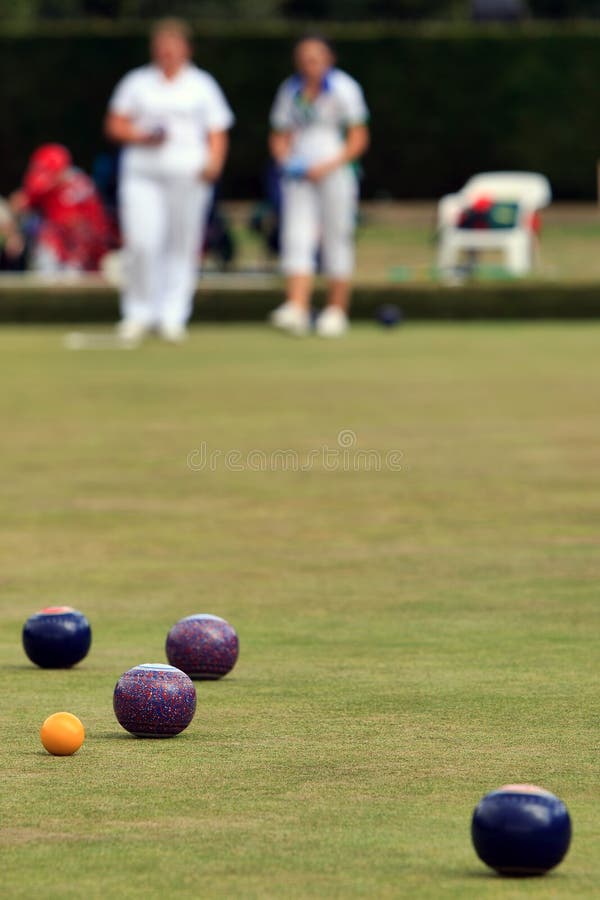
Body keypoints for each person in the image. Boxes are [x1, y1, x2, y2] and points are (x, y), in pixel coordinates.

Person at [105, 18, 234, 343]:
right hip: (143, 174)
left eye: (173, 48)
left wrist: (214, 162)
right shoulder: (137, 82)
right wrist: (141, 135)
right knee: (142, 243)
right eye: (161, 48)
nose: (167, 54)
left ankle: (172, 315)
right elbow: (115, 125)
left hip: (188, 176)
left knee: (182, 244)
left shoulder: (202, 84)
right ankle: (138, 313)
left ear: (185, 50)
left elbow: (217, 129)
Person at [268, 36, 370, 337]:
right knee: (296, 235)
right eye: (303, 58)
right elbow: (279, 133)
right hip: (299, 173)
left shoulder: (345, 88)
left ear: (328, 59)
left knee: (337, 235)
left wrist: (326, 166)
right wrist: (286, 161)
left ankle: (336, 311)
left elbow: (358, 137)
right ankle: (297, 307)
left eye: (314, 58)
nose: (308, 64)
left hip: (336, 170)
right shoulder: (290, 89)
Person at [10, 144, 111, 274]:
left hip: (82, 246)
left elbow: (77, 223)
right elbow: (18, 203)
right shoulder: (78, 179)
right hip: (74, 244)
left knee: (50, 236)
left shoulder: (73, 183)